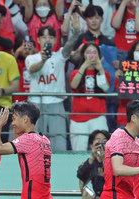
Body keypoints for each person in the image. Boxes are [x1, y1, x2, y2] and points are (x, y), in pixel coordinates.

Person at [25, 16, 81, 151]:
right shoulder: (31, 58)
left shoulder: (60, 56)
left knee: (59, 141)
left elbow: (69, 46)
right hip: (36, 104)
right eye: (44, 37)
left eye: (50, 37)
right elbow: (33, 69)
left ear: (55, 40)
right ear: (38, 40)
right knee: (35, 142)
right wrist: (43, 60)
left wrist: (76, 33)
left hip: (56, 102)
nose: (47, 39)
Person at [69, 43, 110, 151]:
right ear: (83, 55)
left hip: (98, 117)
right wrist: (84, 66)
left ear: (99, 55)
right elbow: (74, 85)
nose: (91, 55)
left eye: (94, 52)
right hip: (78, 119)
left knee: (101, 151)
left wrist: (100, 69)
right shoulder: (75, 73)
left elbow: (105, 88)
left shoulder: (104, 73)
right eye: (88, 52)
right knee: (78, 151)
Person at [114, 40, 139, 127]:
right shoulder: (123, 70)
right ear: (133, 52)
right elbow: (118, 91)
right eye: (138, 50)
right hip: (125, 118)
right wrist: (120, 78)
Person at [77, 129, 110, 199]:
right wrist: (92, 156)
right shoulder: (88, 163)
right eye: (98, 141)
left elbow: (112, 178)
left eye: (104, 142)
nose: (101, 145)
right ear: (91, 145)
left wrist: (104, 159)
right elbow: (80, 175)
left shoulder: (112, 164)